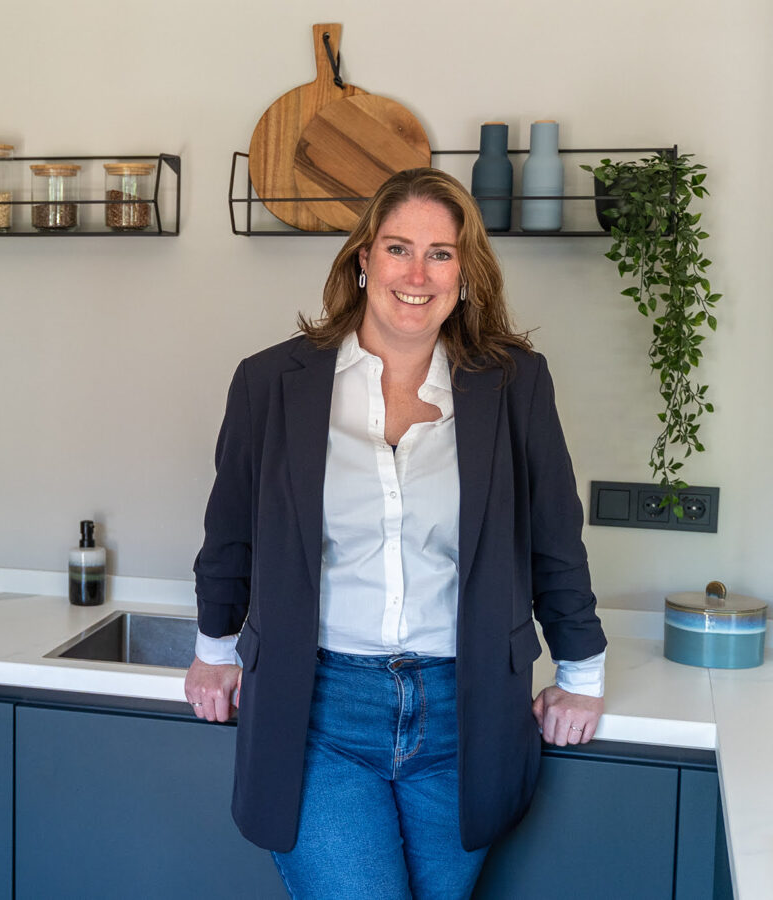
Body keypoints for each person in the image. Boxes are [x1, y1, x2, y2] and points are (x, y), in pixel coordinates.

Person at [185, 167, 608, 899]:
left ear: (465, 273)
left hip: (468, 713)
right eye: (398, 248)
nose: (417, 275)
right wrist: (215, 649)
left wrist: (582, 675)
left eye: (441, 254)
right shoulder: (271, 382)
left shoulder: (515, 384)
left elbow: (554, 540)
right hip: (319, 713)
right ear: (363, 259)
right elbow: (230, 533)